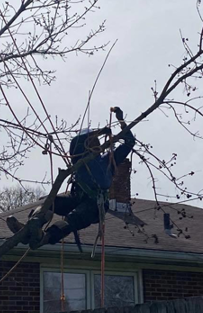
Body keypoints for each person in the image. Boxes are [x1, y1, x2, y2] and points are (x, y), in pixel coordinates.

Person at [7, 106, 135, 247]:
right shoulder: (79, 159)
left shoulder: (108, 160)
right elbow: (79, 141)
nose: (96, 143)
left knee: (73, 218)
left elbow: (129, 143)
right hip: (77, 198)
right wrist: (100, 132)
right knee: (51, 202)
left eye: (96, 141)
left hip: (95, 204)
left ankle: (45, 237)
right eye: (92, 141)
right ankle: (30, 229)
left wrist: (121, 121)